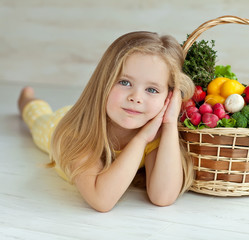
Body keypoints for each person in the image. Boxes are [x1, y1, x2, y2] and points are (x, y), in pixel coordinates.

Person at [18, 31, 195, 212]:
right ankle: (27, 99)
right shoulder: (77, 132)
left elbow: (163, 196)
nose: (136, 97)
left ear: (170, 97)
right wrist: (141, 140)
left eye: (152, 89)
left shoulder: (152, 130)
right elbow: (101, 200)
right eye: (125, 82)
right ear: (104, 82)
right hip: (60, 123)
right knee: (38, 117)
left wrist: (170, 122)